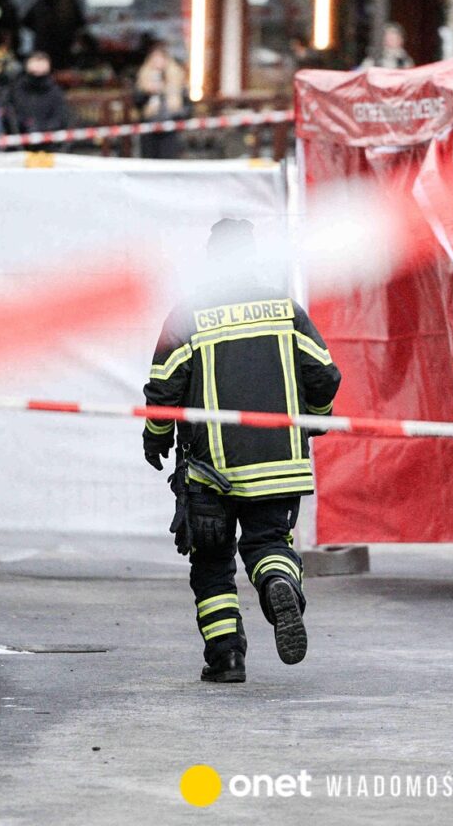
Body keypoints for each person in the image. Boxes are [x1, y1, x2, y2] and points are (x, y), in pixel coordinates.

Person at [142, 219, 341, 684]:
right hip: (280, 462)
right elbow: (326, 376)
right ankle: (277, 584)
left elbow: (164, 390)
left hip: (211, 470)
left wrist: (155, 438)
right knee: (270, 545)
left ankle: (227, 657)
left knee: (212, 563)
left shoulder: (188, 313)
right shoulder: (286, 310)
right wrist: (314, 419)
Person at [134, 40, 189, 159]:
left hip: (170, 129)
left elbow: (187, 105)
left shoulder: (176, 79)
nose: (157, 62)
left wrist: (177, 115)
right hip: (149, 128)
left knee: (168, 161)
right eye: (154, 59)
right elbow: (137, 103)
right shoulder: (144, 78)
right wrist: (147, 93)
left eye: (160, 58)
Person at [4, 51, 71, 138]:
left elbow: (60, 118)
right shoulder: (15, 90)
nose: (38, 67)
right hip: (19, 144)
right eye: (35, 62)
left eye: (42, 63)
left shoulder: (55, 92)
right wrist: (25, 124)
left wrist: (43, 128)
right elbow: (9, 115)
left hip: (48, 144)